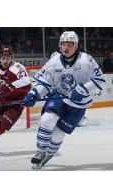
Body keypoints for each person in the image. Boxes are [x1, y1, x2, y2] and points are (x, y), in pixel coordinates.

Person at [23, 31, 105, 169]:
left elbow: (100, 80)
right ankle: (40, 151)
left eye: (69, 44)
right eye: (63, 44)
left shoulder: (86, 60)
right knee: (47, 120)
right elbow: (44, 82)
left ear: (76, 46)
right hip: (59, 96)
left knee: (58, 135)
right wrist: (33, 93)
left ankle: (48, 154)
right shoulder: (54, 61)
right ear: (60, 46)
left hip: (79, 104)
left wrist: (83, 90)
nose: (66, 48)